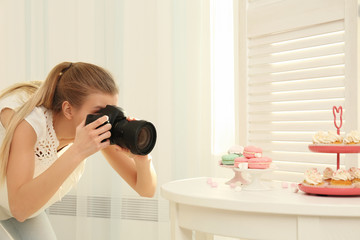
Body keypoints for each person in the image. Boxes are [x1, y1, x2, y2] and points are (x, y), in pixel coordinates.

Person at [0, 62, 157, 239]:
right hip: (17, 202)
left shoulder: (97, 127)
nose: (107, 119)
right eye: (100, 111)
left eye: (112, 110)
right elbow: (19, 208)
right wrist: (77, 151)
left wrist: (141, 158)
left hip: (18, 205)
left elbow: (146, 190)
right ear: (68, 109)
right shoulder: (29, 123)